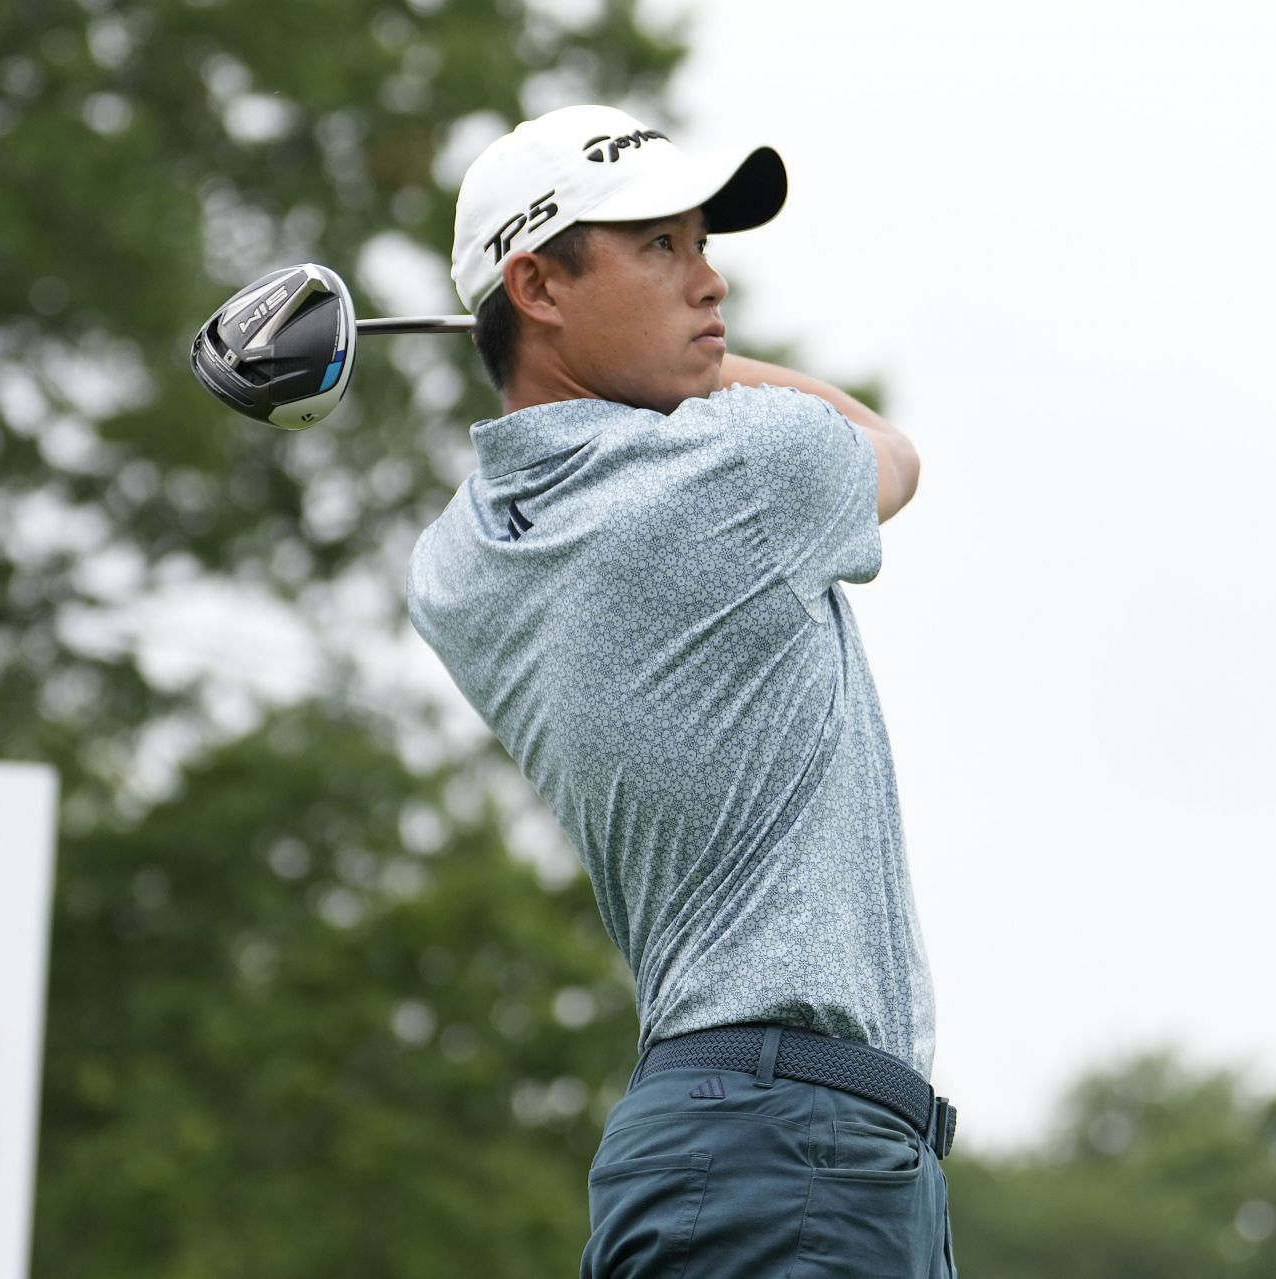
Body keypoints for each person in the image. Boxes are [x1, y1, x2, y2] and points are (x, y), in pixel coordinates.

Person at [407, 104, 956, 1278]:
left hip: (734, 1144)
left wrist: (574, 357)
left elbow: (532, 439)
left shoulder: (455, 565)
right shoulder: (746, 471)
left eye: (703, 244)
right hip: (793, 1147)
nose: (710, 286)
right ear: (538, 284)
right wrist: (703, 377)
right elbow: (890, 452)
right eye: (659, 246)